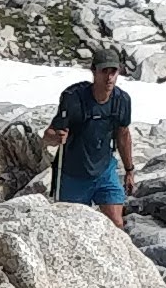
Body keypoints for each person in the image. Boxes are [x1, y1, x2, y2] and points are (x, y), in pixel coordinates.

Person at [48, 48, 136, 224]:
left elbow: (123, 134)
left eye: (113, 71)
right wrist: (56, 137)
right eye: (104, 71)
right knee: (74, 227)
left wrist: (129, 170)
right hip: (73, 175)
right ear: (94, 71)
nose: (109, 77)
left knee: (116, 222)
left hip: (105, 171)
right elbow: (49, 134)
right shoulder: (73, 98)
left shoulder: (122, 100)